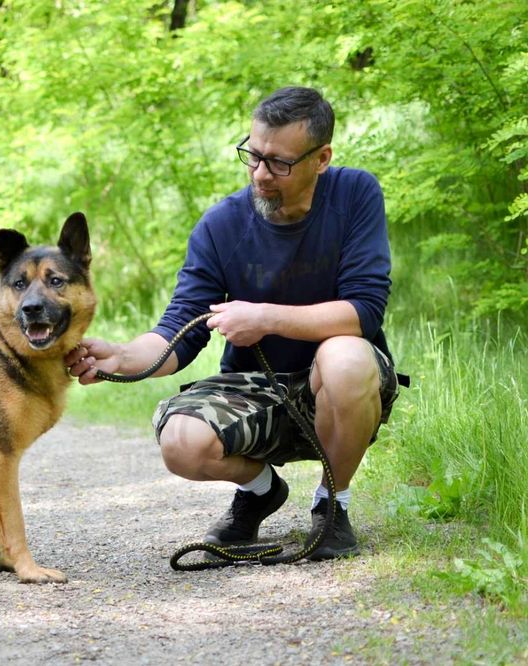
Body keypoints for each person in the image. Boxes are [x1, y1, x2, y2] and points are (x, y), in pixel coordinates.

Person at [65, 86, 404, 559]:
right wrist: (119, 355)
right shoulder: (220, 224)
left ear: (321, 158)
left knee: (345, 354)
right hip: (254, 385)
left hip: (343, 386)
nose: (260, 174)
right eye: (253, 155)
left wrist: (264, 318)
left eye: (279, 163)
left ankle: (332, 506)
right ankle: (261, 491)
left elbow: (364, 311)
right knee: (181, 441)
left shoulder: (355, 194)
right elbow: (180, 330)